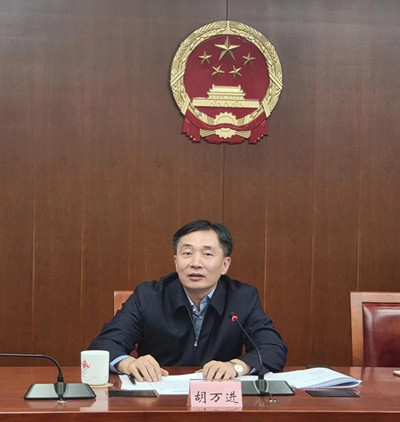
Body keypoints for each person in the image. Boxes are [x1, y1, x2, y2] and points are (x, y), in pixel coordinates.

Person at [89, 219, 287, 382]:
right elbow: (103, 344)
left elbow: (273, 349)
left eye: (207, 254)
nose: (195, 263)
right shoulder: (148, 295)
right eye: (187, 253)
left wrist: (235, 367)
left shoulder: (242, 297)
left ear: (224, 265)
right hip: (158, 399)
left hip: (219, 400)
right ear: (176, 262)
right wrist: (129, 364)